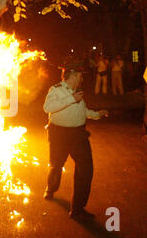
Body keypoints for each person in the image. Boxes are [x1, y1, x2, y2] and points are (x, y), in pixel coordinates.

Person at [43, 61, 109, 219]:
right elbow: (48, 108)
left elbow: (81, 110)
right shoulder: (56, 90)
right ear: (72, 76)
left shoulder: (77, 90)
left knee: (86, 169)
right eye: (80, 76)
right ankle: (51, 188)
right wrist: (71, 98)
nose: (82, 79)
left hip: (78, 134)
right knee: (56, 164)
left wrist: (96, 114)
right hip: (59, 133)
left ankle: (78, 209)